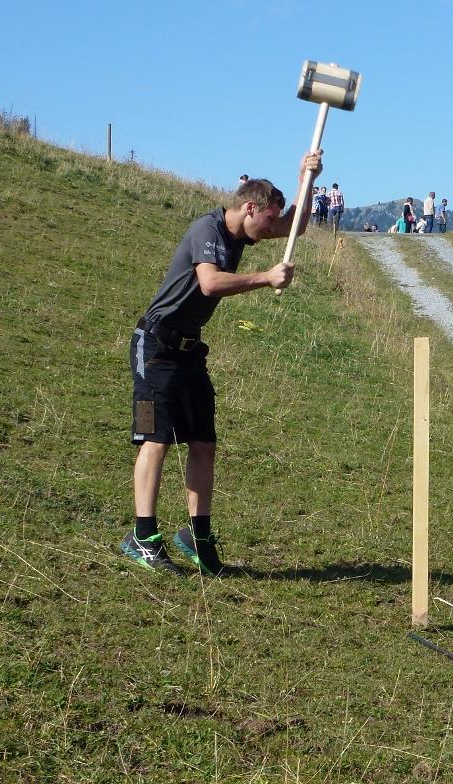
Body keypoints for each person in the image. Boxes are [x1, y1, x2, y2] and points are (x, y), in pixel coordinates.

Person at [123, 152, 324, 577]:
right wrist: (265, 278)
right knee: (154, 439)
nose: (270, 230)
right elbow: (210, 282)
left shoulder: (243, 234)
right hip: (155, 348)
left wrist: (304, 178)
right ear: (249, 208)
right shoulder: (208, 229)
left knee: (203, 443)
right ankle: (143, 536)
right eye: (267, 221)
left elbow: (296, 226)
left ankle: (197, 536)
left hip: (189, 353)